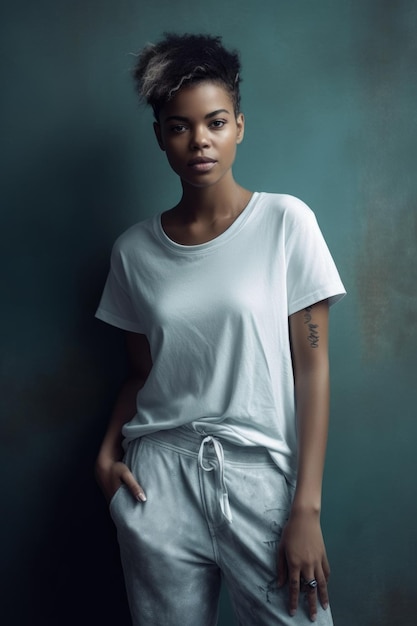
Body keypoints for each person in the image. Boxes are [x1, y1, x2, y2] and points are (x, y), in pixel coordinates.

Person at [95, 32, 346, 626]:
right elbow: (141, 373)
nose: (199, 141)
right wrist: (107, 455)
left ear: (239, 124)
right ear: (160, 136)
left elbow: (312, 367)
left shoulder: (287, 223)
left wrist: (305, 509)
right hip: (156, 485)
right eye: (180, 126)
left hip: (258, 480)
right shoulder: (133, 252)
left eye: (214, 122)